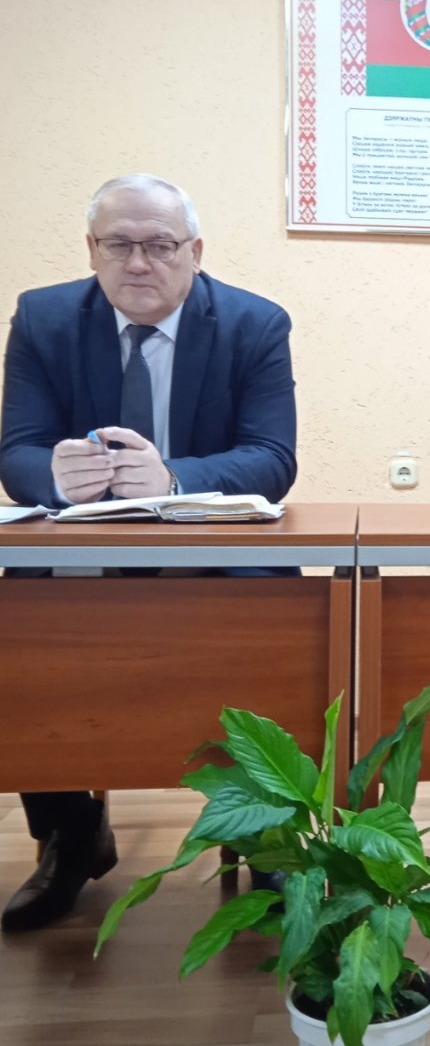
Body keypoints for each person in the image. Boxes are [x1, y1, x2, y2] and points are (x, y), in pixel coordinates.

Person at [0, 174, 297, 930]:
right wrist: (53, 474)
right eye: (119, 244)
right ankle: (71, 833)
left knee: (284, 612)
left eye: (161, 245)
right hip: (85, 548)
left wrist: (174, 479)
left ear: (195, 252)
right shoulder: (44, 318)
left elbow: (272, 457)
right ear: (91, 250)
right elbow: (17, 449)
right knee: (20, 621)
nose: (139, 263)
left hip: (213, 547)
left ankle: (265, 829)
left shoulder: (254, 324)